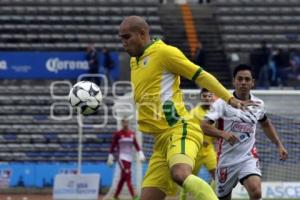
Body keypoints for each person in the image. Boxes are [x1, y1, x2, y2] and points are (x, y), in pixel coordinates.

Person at [118, 15, 250, 200]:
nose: (123, 43)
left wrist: (229, 98)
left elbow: (201, 75)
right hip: (161, 141)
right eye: (121, 38)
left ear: (142, 34)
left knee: (180, 173)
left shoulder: (165, 53)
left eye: (126, 37)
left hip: (180, 130)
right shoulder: (135, 61)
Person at [201, 64, 288, 200]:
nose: (243, 82)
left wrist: (279, 144)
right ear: (234, 81)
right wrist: (223, 134)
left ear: (252, 82)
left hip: (248, 157)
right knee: (223, 197)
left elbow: (265, 123)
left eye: (247, 79)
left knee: (256, 192)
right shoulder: (222, 103)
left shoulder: (258, 104)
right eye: (240, 79)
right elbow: (204, 126)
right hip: (226, 160)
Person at [179, 88, 217, 200]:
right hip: (196, 150)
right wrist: (200, 139)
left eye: (209, 96)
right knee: (188, 178)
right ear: (201, 98)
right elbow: (190, 129)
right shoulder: (194, 112)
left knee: (218, 175)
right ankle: (183, 198)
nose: (207, 98)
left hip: (209, 149)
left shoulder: (216, 111)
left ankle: (209, 195)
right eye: (205, 96)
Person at [107, 118, 145, 200]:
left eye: (127, 122)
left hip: (129, 159)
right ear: (121, 124)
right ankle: (134, 196)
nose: (125, 124)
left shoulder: (132, 134)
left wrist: (141, 154)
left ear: (128, 123)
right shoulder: (118, 134)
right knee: (128, 176)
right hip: (121, 158)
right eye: (124, 122)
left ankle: (115, 196)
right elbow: (113, 146)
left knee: (123, 178)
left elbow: (136, 145)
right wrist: (110, 157)